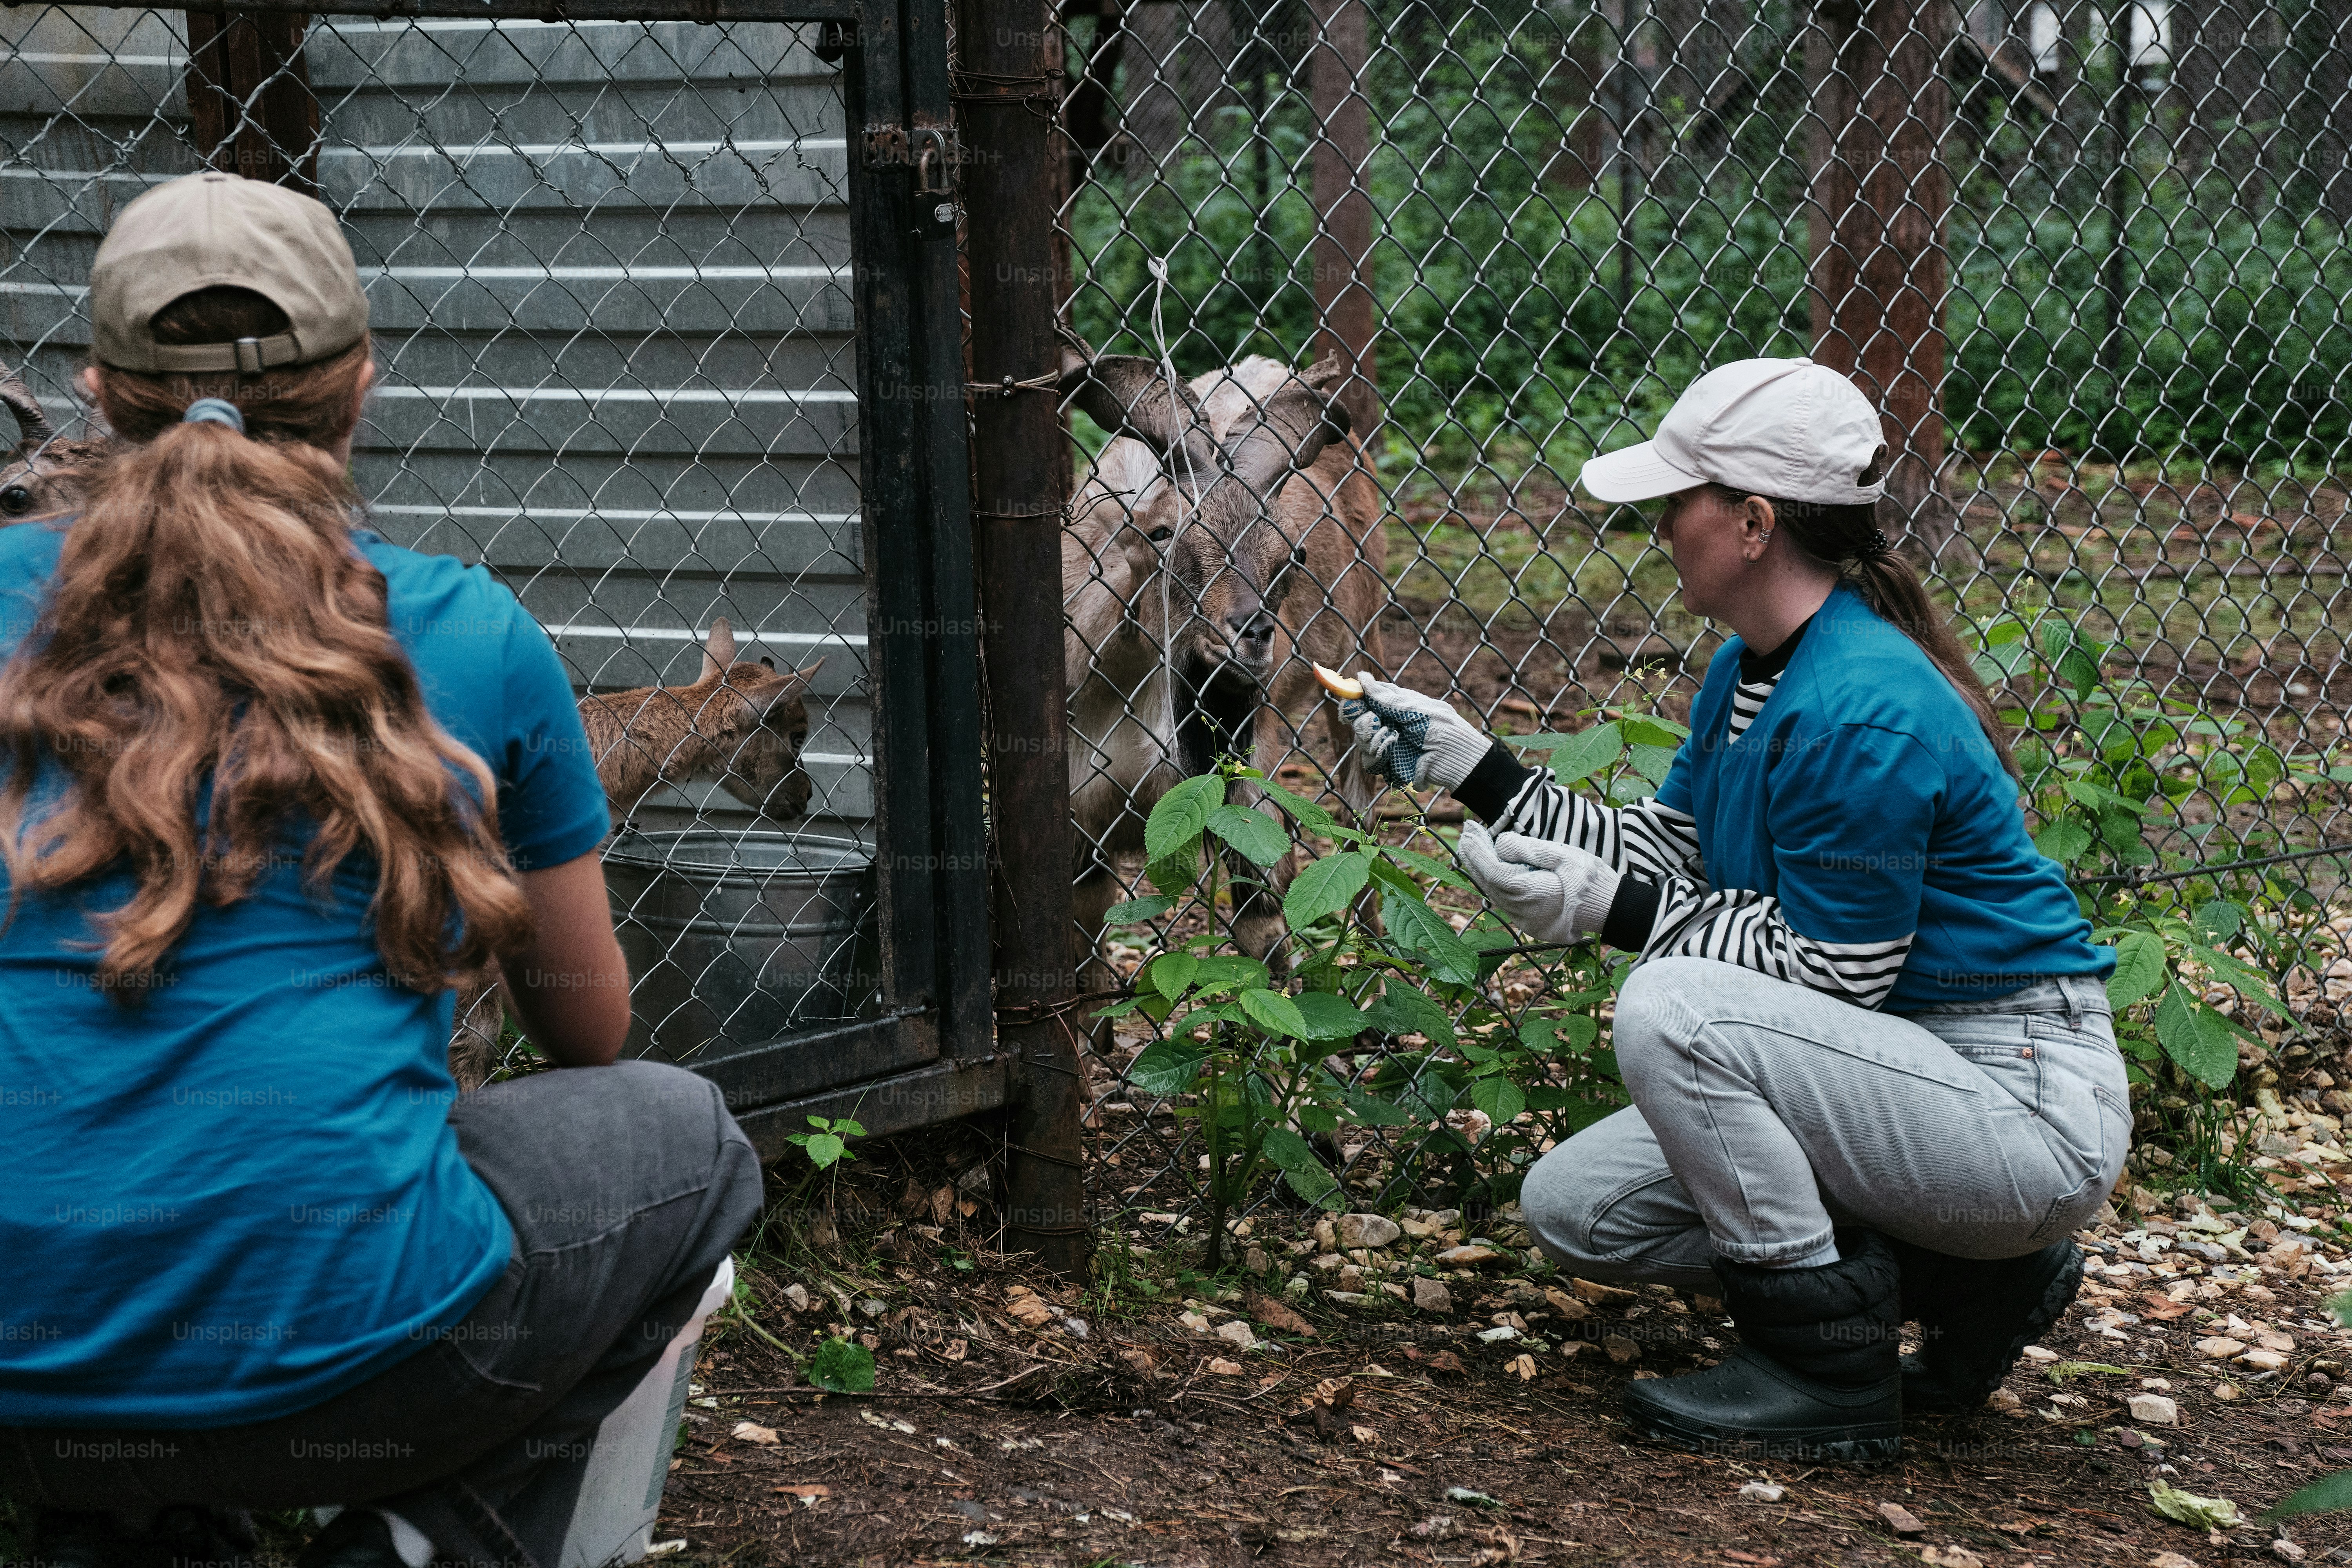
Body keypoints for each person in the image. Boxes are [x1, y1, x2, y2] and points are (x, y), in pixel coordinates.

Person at [0, 172, 764, 1566]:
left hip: (20, 1367)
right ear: (358, 386)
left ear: (98, 395)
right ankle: (424, 1545)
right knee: (686, 1143)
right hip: (362, 1359)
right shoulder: (466, 629)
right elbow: (591, 1031)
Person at [1345, 358, 2127, 1461]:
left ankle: (1825, 1373)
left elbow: (1828, 972)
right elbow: (1676, 850)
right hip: (1902, 1066)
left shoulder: (1862, 710)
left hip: (2019, 1103)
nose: (1661, 526)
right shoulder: (1752, 666)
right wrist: (1481, 770)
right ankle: (1973, 1277)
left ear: (1754, 522)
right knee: (1580, 1210)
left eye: (1679, 501)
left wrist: (1606, 913)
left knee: (1675, 1007)